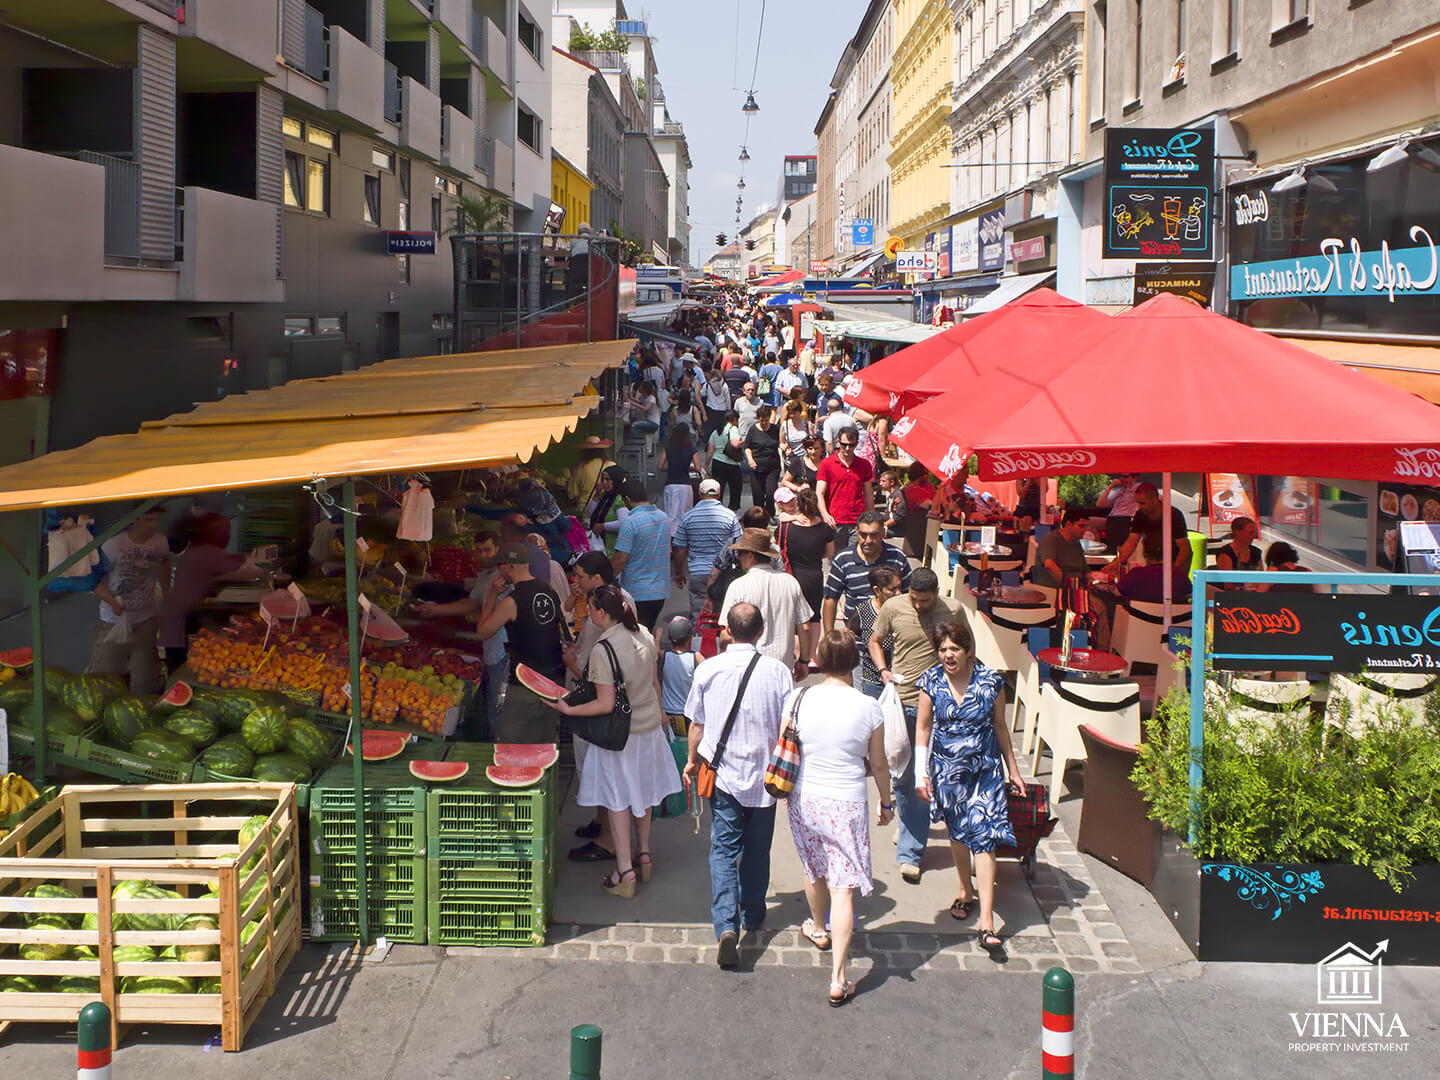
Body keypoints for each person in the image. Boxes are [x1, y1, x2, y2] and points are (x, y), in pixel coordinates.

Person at [545, 585, 682, 898]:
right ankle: (643, 855)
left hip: (620, 736)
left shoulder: (604, 649)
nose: (588, 614)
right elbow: (651, 682)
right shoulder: (645, 635)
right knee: (644, 794)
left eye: (591, 609)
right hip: (648, 729)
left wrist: (569, 707)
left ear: (602, 613)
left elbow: (605, 704)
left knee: (619, 800)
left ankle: (624, 871)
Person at [682, 603, 795, 967]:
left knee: (723, 849)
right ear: (761, 632)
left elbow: (696, 726)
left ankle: (726, 924)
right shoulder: (778, 673)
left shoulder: (708, 669)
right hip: (766, 779)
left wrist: (691, 761)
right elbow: (786, 727)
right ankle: (754, 911)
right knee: (758, 848)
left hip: (724, 775)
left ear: (727, 630)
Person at [784, 630, 893, 1006]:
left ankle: (817, 928)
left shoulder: (799, 697)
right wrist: (887, 800)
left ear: (820, 659)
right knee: (843, 889)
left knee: (814, 868)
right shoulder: (868, 708)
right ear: (853, 661)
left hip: (804, 797)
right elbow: (877, 762)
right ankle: (838, 976)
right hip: (846, 800)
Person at [915, 620, 1023, 955]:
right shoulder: (930, 681)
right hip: (947, 772)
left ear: (968, 651)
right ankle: (965, 889)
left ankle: (987, 921)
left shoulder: (991, 682)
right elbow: (922, 729)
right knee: (958, 833)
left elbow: (1002, 729)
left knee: (984, 835)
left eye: (954, 649)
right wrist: (921, 774)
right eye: (943, 649)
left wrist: (1013, 771)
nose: (948, 655)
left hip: (985, 770)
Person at [869, 567, 966, 882]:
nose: (918, 605)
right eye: (914, 598)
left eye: (924, 601)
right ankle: (911, 848)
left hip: (941, 706)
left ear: (936, 594)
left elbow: (968, 647)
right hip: (904, 703)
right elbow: (875, 640)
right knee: (907, 774)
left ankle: (914, 834)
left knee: (933, 776)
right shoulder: (894, 607)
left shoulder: (953, 610)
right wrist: (884, 670)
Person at [473, 541, 567, 743]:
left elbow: (482, 632)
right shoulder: (548, 590)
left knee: (512, 746)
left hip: (525, 688)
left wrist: (492, 595)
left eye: (500, 566)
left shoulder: (511, 601)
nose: (499, 570)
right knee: (545, 744)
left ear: (509, 567)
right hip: (554, 683)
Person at [157, 513, 260, 674]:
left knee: (179, 668)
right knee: (183, 671)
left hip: (178, 618)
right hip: (183, 621)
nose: (228, 535)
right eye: (225, 530)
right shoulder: (207, 552)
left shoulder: (197, 551)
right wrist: (254, 559)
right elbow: (251, 572)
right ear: (212, 533)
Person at [90, 504, 171, 693]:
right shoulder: (113, 545)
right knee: (110, 676)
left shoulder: (160, 542)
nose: (153, 525)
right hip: (113, 621)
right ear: (133, 519)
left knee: (146, 677)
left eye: (156, 520)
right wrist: (112, 603)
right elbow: (94, 580)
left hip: (146, 619)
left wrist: (167, 589)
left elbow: (165, 562)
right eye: (148, 520)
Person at [719, 528, 813, 679]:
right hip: (783, 667)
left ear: (750, 556)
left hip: (747, 668)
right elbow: (805, 627)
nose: (739, 557)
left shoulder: (738, 586)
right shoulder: (790, 583)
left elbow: (726, 633)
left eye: (740, 553)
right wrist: (804, 661)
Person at [821, 511, 912, 636]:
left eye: (874, 535)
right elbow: (830, 599)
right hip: (857, 636)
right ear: (857, 532)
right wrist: (829, 636)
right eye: (863, 535)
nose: (868, 541)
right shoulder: (843, 559)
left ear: (883, 533)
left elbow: (909, 596)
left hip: (892, 634)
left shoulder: (897, 557)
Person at [776, 488, 833, 668]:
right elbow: (828, 553)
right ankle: (812, 656)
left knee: (795, 618)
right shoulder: (824, 529)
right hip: (814, 576)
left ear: (798, 504)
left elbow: (777, 552)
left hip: (791, 577)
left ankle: (799, 654)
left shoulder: (784, 528)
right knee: (814, 618)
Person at [673, 479, 742, 618]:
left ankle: (699, 639)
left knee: (699, 616)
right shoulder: (730, 516)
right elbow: (738, 545)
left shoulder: (687, 517)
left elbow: (679, 549)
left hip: (698, 572)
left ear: (699, 494)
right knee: (725, 615)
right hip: (724, 572)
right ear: (719, 494)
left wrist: (679, 573)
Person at [613, 479, 672, 630]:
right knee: (647, 633)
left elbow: (620, 560)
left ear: (627, 499)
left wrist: (607, 580)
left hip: (636, 592)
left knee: (635, 637)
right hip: (660, 591)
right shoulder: (664, 518)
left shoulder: (630, 522)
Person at [1105, 482, 1191, 574]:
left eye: (1142, 503)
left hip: (1175, 562)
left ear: (1154, 499)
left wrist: (1173, 571)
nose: (1139, 506)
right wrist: (1116, 563)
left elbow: (1185, 549)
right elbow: (1131, 543)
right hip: (1153, 561)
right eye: (1137, 503)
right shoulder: (1140, 515)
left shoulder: (1173, 515)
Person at [847, 565, 902, 699]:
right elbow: (848, 637)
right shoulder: (863, 612)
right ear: (877, 590)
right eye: (892, 589)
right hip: (873, 681)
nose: (899, 593)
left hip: (900, 679)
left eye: (900, 587)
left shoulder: (903, 609)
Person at [816, 426, 874, 551]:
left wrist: (872, 519)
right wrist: (825, 515)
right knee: (837, 559)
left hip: (858, 520)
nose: (847, 449)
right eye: (844, 445)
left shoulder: (864, 465)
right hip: (835, 521)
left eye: (851, 445)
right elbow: (819, 493)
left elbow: (868, 495)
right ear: (838, 442)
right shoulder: (827, 464)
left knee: (855, 558)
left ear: (857, 444)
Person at [1118, 533, 1193, 602]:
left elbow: (1118, 592)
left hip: (1140, 616)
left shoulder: (1135, 574)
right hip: (1173, 616)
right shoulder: (1180, 577)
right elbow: (1189, 595)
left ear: (1145, 553)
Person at [657, 616, 699, 734]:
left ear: (669, 638)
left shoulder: (665, 655)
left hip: (668, 712)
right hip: (688, 712)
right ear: (690, 638)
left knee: (672, 742)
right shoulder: (695, 656)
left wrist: (657, 638)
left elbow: (655, 651)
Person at [657, 425, 703, 531]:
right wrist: (688, 469)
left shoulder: (668, 449)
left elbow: (660, 466)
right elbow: (698, 468)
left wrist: (671, 468)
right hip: (685, 485)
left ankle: (670, 540)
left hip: (670, 485)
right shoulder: (691, 449)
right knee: (685, 514)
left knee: (671, 515)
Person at [1033, 507, 1091, 589]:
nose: (1085, 530)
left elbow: (1084, 570)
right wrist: (1068, 586)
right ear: (1068, 524)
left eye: (1086, 527)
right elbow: (1050, 565)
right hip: (1054, 588)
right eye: (1081, 526)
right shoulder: (1051, 538)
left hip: (1077, 585)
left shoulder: (1076, 542)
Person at [744, 404, 783, 514]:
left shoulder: (775, 429)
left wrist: (784, 446)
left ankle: (770, 513)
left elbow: (780, 442)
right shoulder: (753, 430)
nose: (764, 423)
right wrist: (751, 460)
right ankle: (759, 516)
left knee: (771, 493)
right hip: (756, 466)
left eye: (766, 420)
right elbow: (747, 447)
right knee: (758, 495)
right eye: (762, 421)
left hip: (772, 466)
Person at [706, 409, 745, 512]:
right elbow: (735, 443)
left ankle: (717, 511)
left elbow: (710, 450)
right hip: (731, 464)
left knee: (719, 489)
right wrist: (742, 441)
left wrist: (706, 465)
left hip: (717, 462)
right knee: (735, 489)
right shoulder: (733, 429)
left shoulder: (716, 431)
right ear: (734, 419)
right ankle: (733, 512)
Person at [589, 465, 629, 556]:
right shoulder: (605, 496)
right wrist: (596, 495)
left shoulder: (620, 499)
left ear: (616, 480)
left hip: (615, 548)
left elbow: (624, 523)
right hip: (602, 545)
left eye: (608, 479)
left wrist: (603, 526)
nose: (604, 483)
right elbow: (590, 513)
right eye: (602, 480)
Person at [1096, 473, 1141, 550]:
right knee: (1089, 522)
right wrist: (1111, 486)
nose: (1122, 479)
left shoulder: (1139, 488)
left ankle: (1111, 549)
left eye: (1125, 477)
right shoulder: (1120, 491)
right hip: (1112, 518)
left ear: (1135, 478)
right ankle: (1096, 549)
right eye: (1121, 477)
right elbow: (1100, 504)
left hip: (1126, 518)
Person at [568, 435, 614, 508]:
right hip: (606, 509)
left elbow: (572, 494)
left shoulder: (580, 468)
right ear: (603, 451)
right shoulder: (612, 465)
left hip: (586, 509)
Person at [699, 367, 732, 438]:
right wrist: (729, 410)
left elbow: (702, 394)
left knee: (711, 429)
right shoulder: (724, 385)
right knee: (720, 430)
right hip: (722, 411)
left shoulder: (708, 384)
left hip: (710, 410)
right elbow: (727, 399)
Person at [878, 469, 907, 540]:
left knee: (875, 532)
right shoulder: (891, 495)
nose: (880, 484)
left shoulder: (898, 496)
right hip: (891, 526)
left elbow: (899, 517)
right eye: (880, 481)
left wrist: (884, 525)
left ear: (892, 482)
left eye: (883, 481)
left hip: (897, 529)